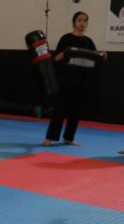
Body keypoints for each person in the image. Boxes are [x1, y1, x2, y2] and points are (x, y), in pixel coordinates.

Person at [43, 11, 106, 146]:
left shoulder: (88, 41)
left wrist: (103, 56)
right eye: (79, 20)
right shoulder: (66, 39)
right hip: (66, 80)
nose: (82, 23)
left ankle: (69, 138)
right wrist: (68, 52)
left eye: (85, 21)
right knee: (59, 110)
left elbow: (95, 59)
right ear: (74, 22)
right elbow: (56, 58)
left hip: (81, 81)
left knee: (76, 112)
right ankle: (49, 137)